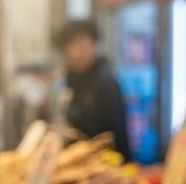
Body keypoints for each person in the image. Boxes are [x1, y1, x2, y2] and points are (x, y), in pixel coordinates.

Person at [54, 20, 131, 160]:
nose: (79, 52)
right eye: (73, 45)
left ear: (94, 45)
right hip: (75, 161)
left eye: (83, 45)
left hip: (106, 162)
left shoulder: (106, 83)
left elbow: (117, 133)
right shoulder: (66, 83)